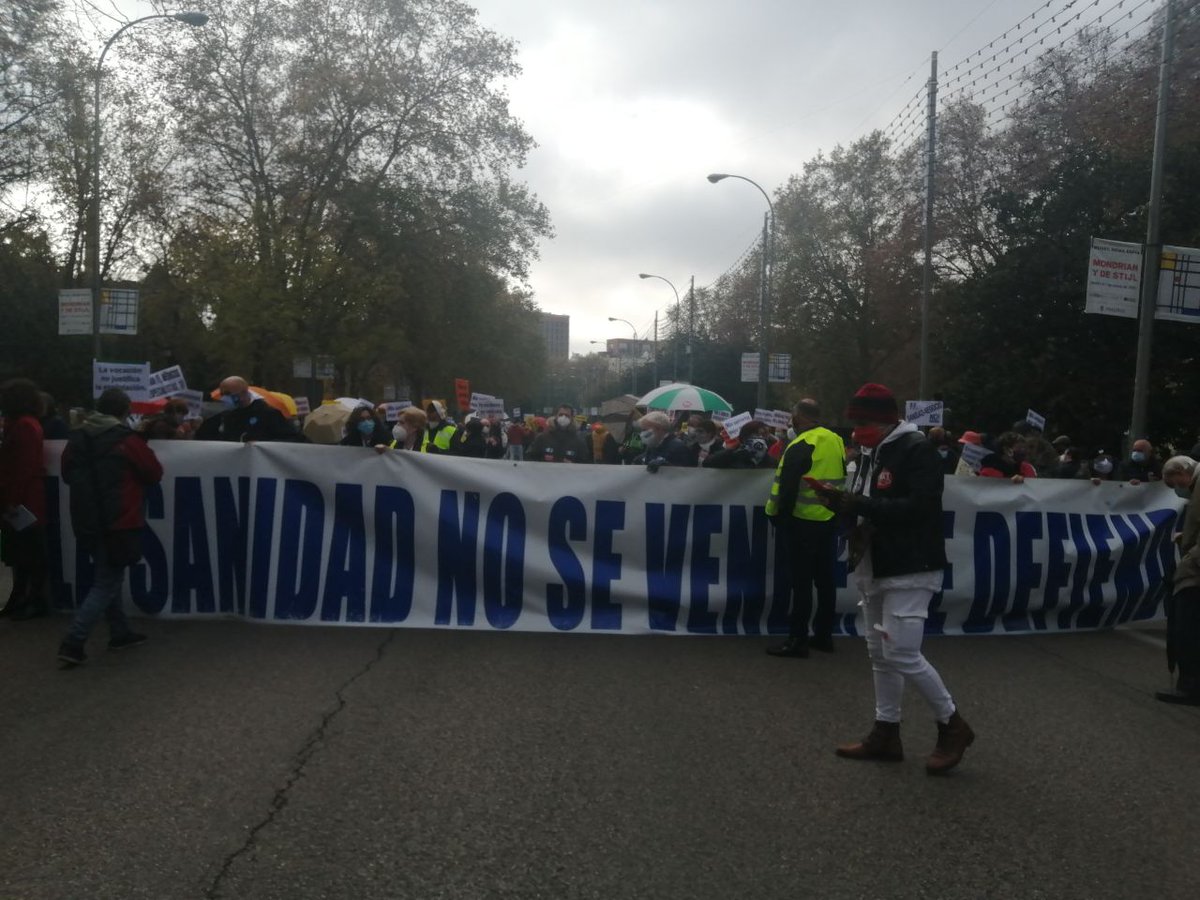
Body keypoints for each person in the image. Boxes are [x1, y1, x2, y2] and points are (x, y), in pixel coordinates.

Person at [819, 383, 974, 775]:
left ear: (887, 420)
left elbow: (919, 507)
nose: (857, 430)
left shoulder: (916, 451)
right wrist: (841, 504)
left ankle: (952, 724)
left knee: (902, 653)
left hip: (911, 565)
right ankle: (885, 732)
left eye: (864, 422)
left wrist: (860, 504)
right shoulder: (871, 453)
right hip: (875, 562)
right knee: (878, 653)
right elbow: (868, 501)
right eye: (854, 423)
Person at [57, 388, 164, 667]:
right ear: (126, 411)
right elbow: (153, 472)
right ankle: (74, 642)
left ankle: (120, 632)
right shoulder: (126, 440)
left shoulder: (77, 437)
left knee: (108, 573)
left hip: (86, 519)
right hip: (120, 519)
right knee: (106, 581)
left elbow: (66, 472)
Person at [764, 399, 846, 658]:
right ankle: (823, 636)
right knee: (825, 581)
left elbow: (785, 489)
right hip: (828, 519)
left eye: (792, 415)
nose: (790, 420)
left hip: (801, 522)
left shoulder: (800, 445)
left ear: (799, 417)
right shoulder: (835, 440)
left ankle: (797, 640)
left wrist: (776, 516)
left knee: (800, 583)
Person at [0, 378, 48, 619]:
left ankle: (33, 599)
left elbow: (24, 468)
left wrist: (12, 501)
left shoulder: (24, 426)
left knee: (29, 551)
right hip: (23, 497)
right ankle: (22, 597)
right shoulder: (23, 424)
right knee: (22, 551)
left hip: (24, 500)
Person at [1159, 455, 1200, 705]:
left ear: (1181, 472)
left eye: (1174, 482)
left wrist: (1192, 557)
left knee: (1187, 627)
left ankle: (1190, 687)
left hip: (1195, 570)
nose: (1177, 488)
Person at [195, 376, 303, 442]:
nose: (224, 398)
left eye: (228, 394)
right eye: (222, 394)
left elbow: (293, 438)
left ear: (244, 393)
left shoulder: (268, 413)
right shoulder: (225, 416)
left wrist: (262, 444)